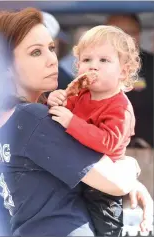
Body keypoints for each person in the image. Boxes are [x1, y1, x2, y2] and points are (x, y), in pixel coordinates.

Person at [0, 8, 152, 236]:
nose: (51, 60)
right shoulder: (33, 117)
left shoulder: (4, 119)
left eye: (52, 48)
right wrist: (130, 166)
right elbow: (116, 182)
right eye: (36, 52)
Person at [47, 25, 140, 236]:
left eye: (104, 60)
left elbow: (107, 142)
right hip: (73, 176)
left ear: (123, 71)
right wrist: (54, 100)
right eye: (87, 60)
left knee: (105, 229)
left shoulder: (121, 107)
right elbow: (55, 118)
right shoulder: (79, 95)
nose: (93, 66)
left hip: (103, 186)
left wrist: (72, 122)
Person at [106, 14, 154, 148]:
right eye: (114, 32)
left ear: (138, 35)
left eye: (129, 33)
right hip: (104, 149)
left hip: (148, 149)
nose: (121, 38)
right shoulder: (91, 65)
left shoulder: (151, 65)